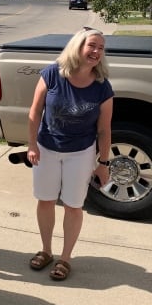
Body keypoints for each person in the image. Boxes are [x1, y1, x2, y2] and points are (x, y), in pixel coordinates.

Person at [26, 27, 113, 281]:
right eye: (92, 46)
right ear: (78, 46)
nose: (96, 52)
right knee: (45, 200)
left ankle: (65, 258)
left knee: (74, 206)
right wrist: (31, 144)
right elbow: (34, 112)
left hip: (81, 153)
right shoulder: (53, 73)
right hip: (46, 148)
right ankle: (46, 250)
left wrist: (103, 162)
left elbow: (104, 129)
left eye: (101, 48)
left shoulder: (102, 86)